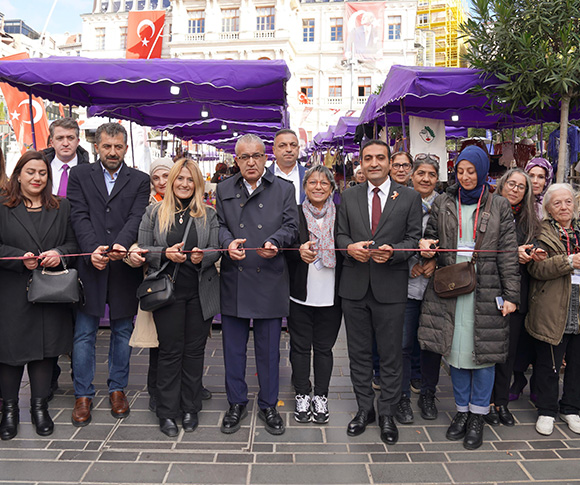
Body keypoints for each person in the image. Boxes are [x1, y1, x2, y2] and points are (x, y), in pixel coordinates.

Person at [419, 145, 520, 450]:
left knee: (484, 355)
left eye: (471, 171)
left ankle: (478, 415)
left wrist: (511, 295)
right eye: (460, 171)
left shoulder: (499, 205)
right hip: (451, 286)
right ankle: (461, 412)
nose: (464, 177)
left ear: (482, 171)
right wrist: (427, 247)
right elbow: (433, 236)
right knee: (456, 354)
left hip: (486, 288)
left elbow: (508, 255)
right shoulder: (444, 201)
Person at [336, 139, 422, 446]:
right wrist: (349, 248)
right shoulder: (348, 196)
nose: (374, 163)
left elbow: (413, 239)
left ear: (389, 163)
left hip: (391, 286)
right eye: (368, 158)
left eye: (380, 158)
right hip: (355, 287)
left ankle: (386, 412)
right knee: (358, 354)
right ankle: (364, 410)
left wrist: (395, 252)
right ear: (361, 162)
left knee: (391, 355)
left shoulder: (409, 197)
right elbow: (340, 234)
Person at [67, 122, 150, 427]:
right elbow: (78, 213)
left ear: (125, 148)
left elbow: (137, 215)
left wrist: (120, 245)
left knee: (122, 331)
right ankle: (83, 395)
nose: (112, 152)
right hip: (91, 263)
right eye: (107, 146)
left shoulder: (140, 180)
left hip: (123, 264)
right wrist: (93, 250)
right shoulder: (79, 175)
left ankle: (118, 389)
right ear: (96, 147)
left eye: (118, 147)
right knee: (84, 332)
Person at [130, 159, 220, 437]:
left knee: (194, 353)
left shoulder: (208, 214)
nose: (184, 183)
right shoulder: (154, 212)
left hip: (199, 292)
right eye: (179, 179)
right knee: (169, 352)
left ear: (197, 184)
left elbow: (216, 248)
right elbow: (143, 248)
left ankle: (190, 407)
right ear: (171, 182)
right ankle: (167, 412)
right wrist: (165, 253)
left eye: (189, 179)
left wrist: (202, 256)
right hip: (166, 294)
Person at [216, 134, 299, 436]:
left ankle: (268, 404)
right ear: (236, 160)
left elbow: (292, 225)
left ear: (266, 158)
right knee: (233, 348)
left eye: (256, 156)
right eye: (243, 157)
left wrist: (275, 241)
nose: (250, 162)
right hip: (235, 276)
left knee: (269, 350)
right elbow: (219, 225)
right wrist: (226, 243)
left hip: (270, 275)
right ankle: (236, 402)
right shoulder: (224, 188)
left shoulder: (284, 189)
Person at [0, 151, 77, 440]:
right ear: (18, 174)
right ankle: (9, 411)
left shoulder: (62, 207)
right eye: (30, 172)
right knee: (9, 354)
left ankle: (39, 407)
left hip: (49, 293)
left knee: (46, 352)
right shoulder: (2, 206)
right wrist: (18, 257)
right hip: (11, 293)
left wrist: (59, 254)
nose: (36, 178)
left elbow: (73, 244)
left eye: (42, 173)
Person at [482, 169, 544, 427]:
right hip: (487, 289)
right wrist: (510, 252)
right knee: (487, 350)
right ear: (502, 185)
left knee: (508, 351)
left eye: (522, 186)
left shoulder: (531, 221)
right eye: (512, 184)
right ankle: (483, 403)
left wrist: (532, 253)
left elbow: (539, 246)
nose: (516, 189)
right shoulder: (486, 211)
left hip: (516, 292)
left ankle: (501, 402)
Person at [286, 165, 343, 424]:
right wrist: (297, 251)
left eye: (324, 183)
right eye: (312, 182)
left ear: (332, 188)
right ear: (305, 186)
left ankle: (321, 396)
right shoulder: (294, 214)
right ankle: (302, 393)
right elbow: (284, 246)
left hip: (332, 294)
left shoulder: (342, 215)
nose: (318, 187)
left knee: (324, 348)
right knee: (299, 347)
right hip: (300, 292)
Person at [526, 183, 580, 436]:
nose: (564, 207)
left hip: (578, 305)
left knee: (577, 363)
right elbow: (536, 269)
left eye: (568, 201)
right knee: (549, 364)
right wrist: (568, 261)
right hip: (551, 306)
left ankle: (571, 407)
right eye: (557, 203)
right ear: (548, 207)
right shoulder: (541, 233)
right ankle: (546, 410)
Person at [395, 154, 440, 425]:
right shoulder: (401, 201)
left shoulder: (446, 205)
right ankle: (401, 397)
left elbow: (454, 241)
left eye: (431, 175)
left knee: (432, 344)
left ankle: (427, 393)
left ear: (437, 178)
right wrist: (409, 261)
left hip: (437, 287)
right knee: (402, 343)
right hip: (406, 285)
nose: (425, 179)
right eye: (420, 173)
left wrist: (435, 261)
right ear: (412, 175)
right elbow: (391, 238)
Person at [42, 118, 91, 197]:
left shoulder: (90, 172)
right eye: (60, 138)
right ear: (52, 142)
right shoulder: (41, 168)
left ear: (78, 141)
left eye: (70, 138)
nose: (65, 143)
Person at [270, 129, 306, 204]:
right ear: (274, 150)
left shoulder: (309, 175)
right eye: (282, 145)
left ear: (298, 149)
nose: (289, 149)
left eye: (293, 145)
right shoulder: (263, 176)